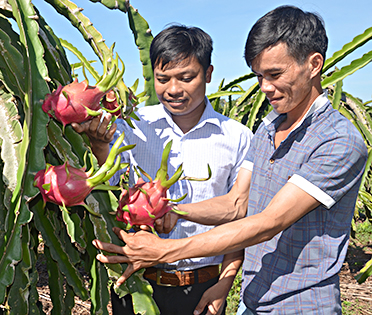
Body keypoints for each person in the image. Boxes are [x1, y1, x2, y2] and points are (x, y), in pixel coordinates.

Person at [92, 6, 368, 314]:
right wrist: (173, 210)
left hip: (301, 305)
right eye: (259, 76)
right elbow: (237, 205)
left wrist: (167, 249)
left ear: (314, 64)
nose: (264, 87)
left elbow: (268, 222)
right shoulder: (267, 128)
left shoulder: (337, 140)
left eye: (275, 75)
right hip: (253, 301)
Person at [73, 25, 253, 314]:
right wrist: (98, 143)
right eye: (163, 79)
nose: (173, 90)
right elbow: (110, 179)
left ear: (208, 74)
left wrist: (225, 282)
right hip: (135, 281)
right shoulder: (132, 125)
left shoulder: (238, 137)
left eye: (186, 78)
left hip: (203, 287)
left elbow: (238, 217)